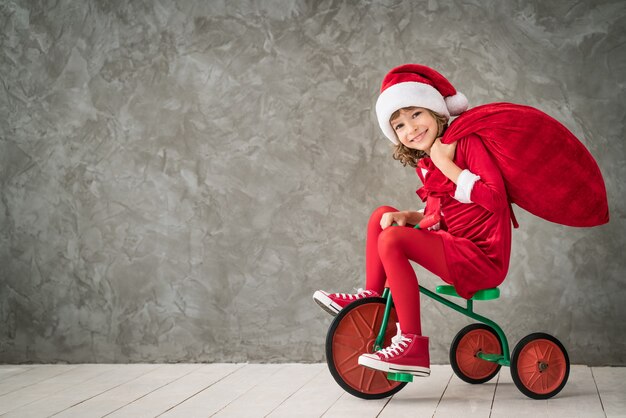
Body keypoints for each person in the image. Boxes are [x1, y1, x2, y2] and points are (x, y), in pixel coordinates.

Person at [313, 64, 514, 377]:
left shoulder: (464, 145)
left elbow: (496, 201)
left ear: (435, 111)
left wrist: (444, 163)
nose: (411, 129)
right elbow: (444, 214)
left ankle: (413, 345)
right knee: (382, 216)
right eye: (399, 126)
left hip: (482, 258)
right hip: (455, 245)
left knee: (392, 239)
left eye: (416, 114)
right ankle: (371, 298)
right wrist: (409, 216)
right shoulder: (427, 161)